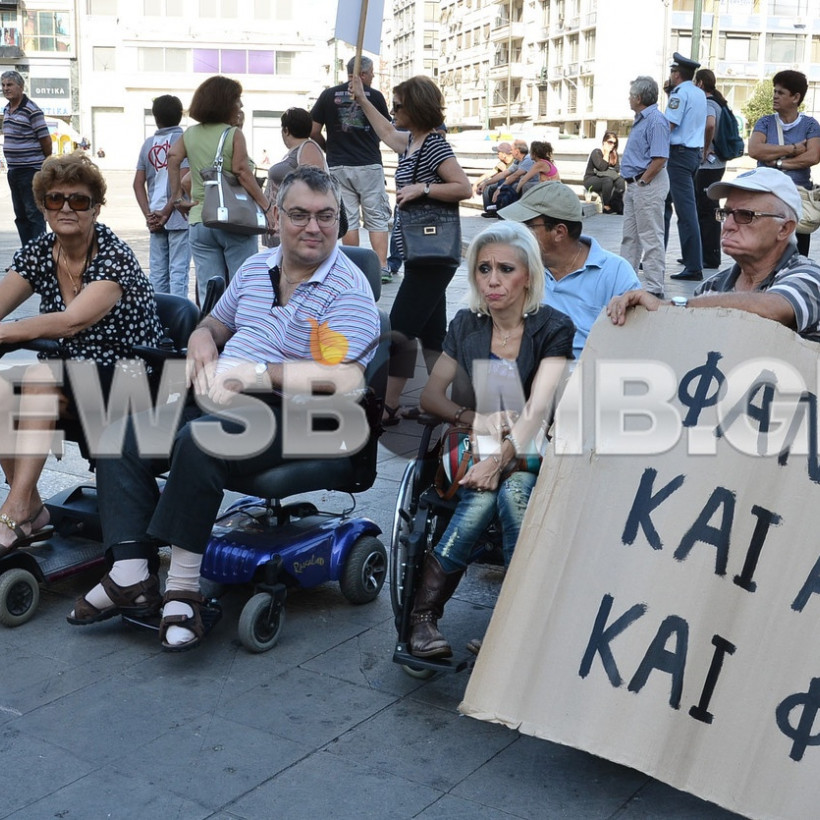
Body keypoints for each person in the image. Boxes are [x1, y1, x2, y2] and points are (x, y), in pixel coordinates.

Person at [69, 167, 381, 651]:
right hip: (221, 397)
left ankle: (184, 590)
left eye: (326, 216)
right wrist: (201, 336)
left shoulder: (350, 291)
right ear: (276, 216)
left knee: (200, 441)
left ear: (339, 220)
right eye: (299, 214)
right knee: (121, 434)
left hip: (303, 416)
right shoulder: (256, 269)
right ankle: (131, 574)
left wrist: (257, 374)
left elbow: (340, 379)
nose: (314, 227)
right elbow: (218, 321)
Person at [407, 221, 574, 658]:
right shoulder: (467, 324)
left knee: (509, 490)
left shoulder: (554, 327)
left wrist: (496, 462)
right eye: (484, 269)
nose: (493, 280)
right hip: (476, 444)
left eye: (505, 269)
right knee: (490, 496)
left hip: (536, 445)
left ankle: (432, 618)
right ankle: (482, 625)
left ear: (528, 277)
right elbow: (430, 396)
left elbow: (537, 409)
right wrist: (476, 418)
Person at [0, 152, 163, 555]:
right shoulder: (42, 251)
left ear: (96, 208)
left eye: (79, 200)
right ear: (43, 207)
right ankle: (31, 505)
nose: (66, 208)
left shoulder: (113, 255)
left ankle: (14, 511)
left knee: (39, 379)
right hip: (72, 377)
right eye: (55, 199)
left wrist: (5, 333)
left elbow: (71, 322)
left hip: (134, 379)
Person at [350, 73, 472, 424]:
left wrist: (424, 189)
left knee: (401, 330)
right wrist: (363, 100)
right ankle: (445, 403)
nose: (393, 112)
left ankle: (388, 406)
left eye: (399, 106)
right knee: (433, 336)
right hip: (421, 254)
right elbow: (386, 133)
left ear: (416, 108)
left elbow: (463, 187)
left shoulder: (434, 145)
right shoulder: (411, 141)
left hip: (433, 257)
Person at [607, 167, 820, 342]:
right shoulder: (712, 287)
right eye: (726, 213)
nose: (728, 225)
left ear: (784, 229)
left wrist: (670, 307)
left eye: (745, 215)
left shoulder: (809, 276)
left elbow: (774, 308)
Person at [499, 181, 641, 360]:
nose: (517, 234)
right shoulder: (517, 267)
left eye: (527, 226)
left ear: (559, 232)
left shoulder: (615, 272)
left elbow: (635, 340)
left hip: (588, 370)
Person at [167, 75, 272, 305]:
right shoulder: (233, 134)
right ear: (225, 102)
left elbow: (173, 157)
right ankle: (241, 328)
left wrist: (177, 198)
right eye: (237, 99)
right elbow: (242, 171)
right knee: (242, 286)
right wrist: (267, 207)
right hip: (234, 219)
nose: (240, 105)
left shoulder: (190, 134)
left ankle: (210, 327)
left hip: (199, 220)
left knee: (210, 291)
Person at [311, 56, 392, 276]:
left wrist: (328, 148)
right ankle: (381, 267)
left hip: (338, 165)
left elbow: (313, 130)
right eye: (372, 72)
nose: (373, 76)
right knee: (377, 218)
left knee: (350, 219)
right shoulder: (375, 96)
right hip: (369, 164)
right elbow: (386, 129)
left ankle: (353, 267)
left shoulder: (328, 95)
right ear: (362, 74)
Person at [748, 69, 820, 258]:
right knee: (765, 254)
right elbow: (755, 150)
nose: (775, 96)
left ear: (795, 97)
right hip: (766, 198)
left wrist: (778, 163)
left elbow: (813, 156)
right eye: (775, 91)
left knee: (796, 256)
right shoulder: (765, 122)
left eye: (781, 92)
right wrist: (792, 149)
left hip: (796, 200)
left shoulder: (810, 125)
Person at [133, 94, 191, 298]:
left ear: (155, 117)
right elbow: (183, 181)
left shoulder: (148, 144)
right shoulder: (184, 142)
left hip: (155, 218)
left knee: (157, 273)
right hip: (179, 217)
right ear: (180, 115)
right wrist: (166, 212)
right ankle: (178, 313)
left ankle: (158, 313)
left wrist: (150, 216)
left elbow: (137, 184)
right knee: (178, 271)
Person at [619, 75, 671, 299]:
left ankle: (653, 287)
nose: (628, 99)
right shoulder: (642, 119)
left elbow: (660, 158)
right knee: (630, 237)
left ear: (639, 98)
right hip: (636, 184)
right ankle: (626, 282)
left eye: (631, 95)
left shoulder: (655, 120)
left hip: (646, 183)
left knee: (650, 237)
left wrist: (643, 181)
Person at [664, 52, 708, 282]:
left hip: (678, 156)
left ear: (676, 74)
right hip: (691, 154)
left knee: (685, 212)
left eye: (672, 72)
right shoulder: (699, 93)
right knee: (664, 205)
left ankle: (693, 266)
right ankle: (656, 256)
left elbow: (669, 125)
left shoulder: (679, 94)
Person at [262, 107, 328, 248]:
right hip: (282, 227)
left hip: (294, 228)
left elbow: (315, 187)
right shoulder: (295, 152)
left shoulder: (308, 148)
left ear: (286, 130)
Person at [1, 70, 52, 246]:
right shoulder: (7, 109)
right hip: (14, 171)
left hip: (30, 171)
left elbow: (46, 140)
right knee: (21, 216)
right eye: (3, 85)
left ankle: (38, 252)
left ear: (21, 87)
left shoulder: (32, 110)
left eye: (10, 85)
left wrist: (43, 163)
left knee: (34, 215)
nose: (5, 88)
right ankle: (27, 252)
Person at [694, 69, 728, 270]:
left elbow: (710, 125)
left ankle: (710, 256)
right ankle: (701, 254)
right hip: (716, 164)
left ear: (700, 83)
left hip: (709, 165)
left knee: (707, 209)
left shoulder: (708, 104)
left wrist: (705, 149)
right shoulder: (718, 102)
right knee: (706, 208)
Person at [484, 139, 533, 215]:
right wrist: (486, 183)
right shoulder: (517, 160)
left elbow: (515, 175)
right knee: (500, 183)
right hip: (522, 183)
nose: (510, 152)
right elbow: (504, 173)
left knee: (510, 186)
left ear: (517, 151)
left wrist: (499, 188)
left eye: (511, 150)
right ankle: (495, 210)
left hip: (530, 185)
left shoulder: (528, 159)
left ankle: (504, 210)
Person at [583, 131, 625, 215]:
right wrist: (606, 153)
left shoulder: (614, 154)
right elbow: (602, 167)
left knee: (620, 180)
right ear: (604, 142)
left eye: (614, 143)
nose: (612, 145)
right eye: (610, 142)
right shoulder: (596, 152)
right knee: (607, 180)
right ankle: (606, 206)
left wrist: (607, 169)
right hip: (591, 180)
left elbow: (617, 169)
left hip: (606, 178)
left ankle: (617, 205)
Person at [473, 142, 514, 210]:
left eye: (498, 153)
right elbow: (488, 174)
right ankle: (489, 210)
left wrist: (504, 169)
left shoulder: (515, 162)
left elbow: (512, 178)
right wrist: (476, 183)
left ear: (504, 154)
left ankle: (499, 208)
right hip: (503, 184)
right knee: (487, 186)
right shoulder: (502, 163)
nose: (497, 155)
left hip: (512, 184)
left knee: (501, 181)